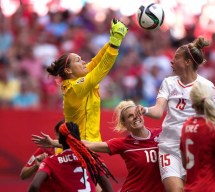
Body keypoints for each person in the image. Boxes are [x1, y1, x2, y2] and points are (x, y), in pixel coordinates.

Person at [45, 18, 128, 191]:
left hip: (88, 148)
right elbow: (100, 71)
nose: (84, 62)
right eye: (78, 60)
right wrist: (115, 45)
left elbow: (96, 62)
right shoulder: (74, 88)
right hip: (73, 153)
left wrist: (112, 39)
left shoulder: (79, 80)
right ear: (68, 71)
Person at [136, 36, 215, 191]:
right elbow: (158, 111)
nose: (171, 61)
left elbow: (213, 118)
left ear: (188, 62)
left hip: (194, 148)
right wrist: (144, 110)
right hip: (169, 147)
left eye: (176, 58)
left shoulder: (206, 86)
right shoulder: (168, 82)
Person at [32, 100, 166, 192]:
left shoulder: (162, 134)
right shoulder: (123, 144)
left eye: (137, 114)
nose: (135, 118)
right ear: (124, 124)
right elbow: (88, 145)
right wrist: (54, 143)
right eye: (130, 116)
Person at [28, 121, 115, 192]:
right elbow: (109, 190)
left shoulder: (50, 161)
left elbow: (34, 186)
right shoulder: (90, 159)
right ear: (79, 138)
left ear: (59, 141)